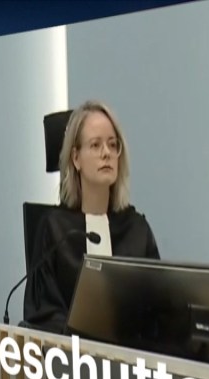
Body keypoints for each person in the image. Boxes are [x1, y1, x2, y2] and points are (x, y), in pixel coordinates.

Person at [23, 100, 160, 333]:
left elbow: (158, 309)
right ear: (76, 158)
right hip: (71, 353)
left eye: (112, 145)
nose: (106, 153)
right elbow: (43, 315)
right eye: (95, 145)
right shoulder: (55, 230)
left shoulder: (137, 229)